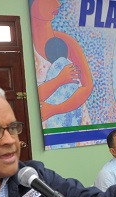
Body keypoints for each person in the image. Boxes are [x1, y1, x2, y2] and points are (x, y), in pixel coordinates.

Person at [31, 0, 93, 128]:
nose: (58, 4)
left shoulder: (67, 42)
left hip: (76, 123)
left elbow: (87, 87)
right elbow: (33, 96)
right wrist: (60, 79)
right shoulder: (28, 49)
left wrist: (55, 109)